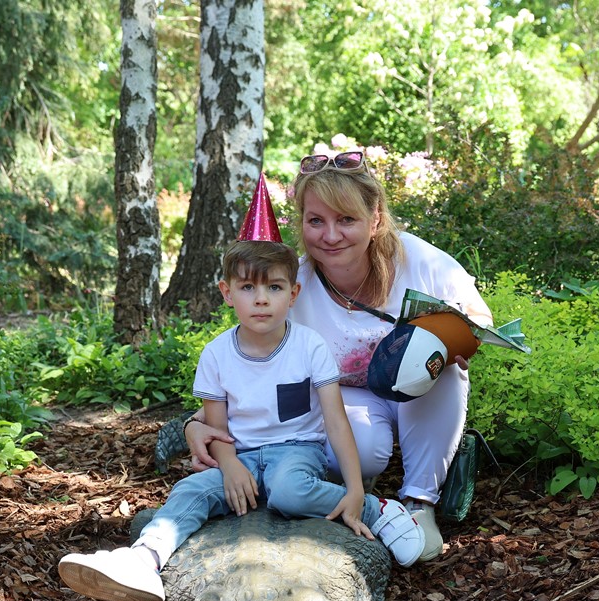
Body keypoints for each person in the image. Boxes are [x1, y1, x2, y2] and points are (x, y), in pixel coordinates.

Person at [58, 237, 426, 601]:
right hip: (242, 456)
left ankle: (378, 511)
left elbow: (336, 422)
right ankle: (143, 560)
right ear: (227, 292)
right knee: (192, 490)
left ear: (293, 294)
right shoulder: (216, 355)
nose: (261, 299)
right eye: (248, 287)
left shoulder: (309, 346)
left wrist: (355, 489)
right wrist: (230, 465)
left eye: (274, 287)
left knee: (289, 491)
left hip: (296, 451)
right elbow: (217, 429)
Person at [185, 150, 494, 562]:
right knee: (360, 447)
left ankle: (420, 500)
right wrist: (195, 423)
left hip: (417, 388)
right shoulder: (292, 285)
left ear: (375, 219)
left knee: (445, 370)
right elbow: (251, 366)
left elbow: (479, 318)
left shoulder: (416, 259)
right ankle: (351, 490)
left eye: (346, 219)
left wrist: (454, 340)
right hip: (347, 398)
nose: (330, 236)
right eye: (316, 221)